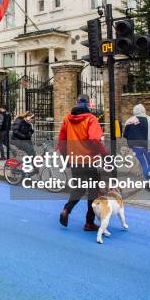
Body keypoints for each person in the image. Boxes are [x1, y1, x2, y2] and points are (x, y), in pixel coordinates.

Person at [57, 94, 108, 231]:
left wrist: (65, 157)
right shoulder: (91, 119)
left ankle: (66, 210)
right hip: (89, 160)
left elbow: (61, 141)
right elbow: (94, 140)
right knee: (93, 191)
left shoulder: (67, 119)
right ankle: (89, 223)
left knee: (78, 189)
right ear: (88, 104)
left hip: (74, 160)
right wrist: (104, 154)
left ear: (76, 103)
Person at [123, 104, 150, 191]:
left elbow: (125, 135)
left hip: (135, 145)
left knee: (142, 162)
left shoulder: (130, 120)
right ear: (143, 110)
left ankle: (148, 181)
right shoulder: (149, 120)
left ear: (134, 111)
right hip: (148, 144)